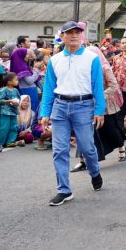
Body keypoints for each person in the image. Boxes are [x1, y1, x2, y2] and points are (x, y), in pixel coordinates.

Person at [39, 21, 106, 206]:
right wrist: (45, 112)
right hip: (60, 106)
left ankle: (94, 171)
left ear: (81, 35)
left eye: (77, 32)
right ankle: (64, 190)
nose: (74, 35)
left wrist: (99, 110)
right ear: (62, 36)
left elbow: (98, 86)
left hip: (83, 106)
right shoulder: (55, 59)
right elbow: (48, 88)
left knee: (87, 147)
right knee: (60, 150)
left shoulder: (92, 58)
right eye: (70, 32)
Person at [0, 72, 21, 148]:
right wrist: (10, 101)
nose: (17, 81)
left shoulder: (16, 90)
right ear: (9, 82)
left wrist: (17, 103)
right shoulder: (3, 90)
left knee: (13, 127)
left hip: (13, 111)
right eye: (16, 79)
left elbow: (19, 99)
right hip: (4, 112)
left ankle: (10, 142)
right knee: (4, 128)